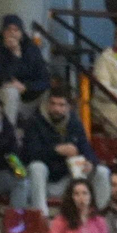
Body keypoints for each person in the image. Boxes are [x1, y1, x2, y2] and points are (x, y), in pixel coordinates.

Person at [21, 86, 109, 216]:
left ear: (68, 107)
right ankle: (42, 217)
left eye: (61, 105)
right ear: (47, 104)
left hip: (67, 180)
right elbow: (29, 154)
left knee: (102, 171)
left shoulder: (74, 123)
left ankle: (99, 218)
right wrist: (56, 150)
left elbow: (86, 148)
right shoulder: (35, 121)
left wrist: (90, 162)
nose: (57, 109)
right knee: (36, 167)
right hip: (43, 181)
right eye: (53, 104)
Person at [0, 14, 48, 123]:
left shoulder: (31, 49)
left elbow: (44, 79)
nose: (12, 33)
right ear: (3, 32)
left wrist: (25, 87)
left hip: (27, 95)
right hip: (0, 92)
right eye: (8, 29)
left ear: (22, 33)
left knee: (51, 96)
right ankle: (10, 133)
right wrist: (15, 56)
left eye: (16, 30)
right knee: (11, 92)